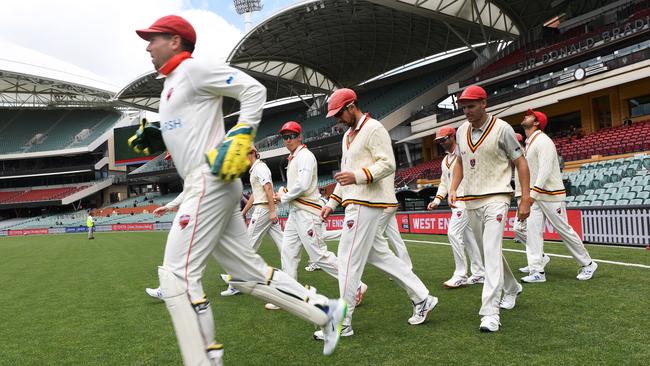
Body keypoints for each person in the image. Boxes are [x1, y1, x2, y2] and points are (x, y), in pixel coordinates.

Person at [134, 15, 346, 364]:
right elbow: (192, 131)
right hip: (207, 185)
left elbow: (253, 90)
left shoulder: (193, 70)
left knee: (176, 277)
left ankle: (203, 359)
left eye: (153, 38)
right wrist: (161, 135)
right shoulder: (171, 84)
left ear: (174, 41)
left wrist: (242, 133)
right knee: (247, 276)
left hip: (210, 182)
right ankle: (325, 311)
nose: (147, 45)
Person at [319, 88, 437, 340]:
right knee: (382, 257)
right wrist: (331, 202)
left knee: (347, 261)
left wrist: (358, 176)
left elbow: (388, 164)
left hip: (366, 202)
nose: (337, 120)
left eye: (339, 114)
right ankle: (423, 297)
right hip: (357, 201)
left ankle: (343, 322)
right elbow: (345, 174)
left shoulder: (374, 128)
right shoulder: (348, 136)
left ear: (351, 106)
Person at [448, 85, 530, 333]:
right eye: (463, 107)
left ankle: (490, 312)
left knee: (491, 251)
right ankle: (512, 287)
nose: (467, 111)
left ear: (484, 103)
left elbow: (521, 163)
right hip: (471, 198)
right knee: (488, 251)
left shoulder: (503, 129)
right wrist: (453, 188)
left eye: (471, 106)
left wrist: (525, 197)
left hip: (497, 195)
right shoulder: (461, 130)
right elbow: (461, 161)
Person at [274, 121, 365, 311]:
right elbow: (297, 185)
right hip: (296, 212)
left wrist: (283, 196)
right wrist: (284, 192)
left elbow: (304, 184)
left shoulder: (305, 156)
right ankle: (291, 295)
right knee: (288, 253)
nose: (288, 140)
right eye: (285, 137)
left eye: (291, 136)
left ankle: (356, 284)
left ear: (300, 137)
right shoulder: (294, 157)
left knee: (319, 256)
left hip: (307, 212)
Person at [519, 109, 597, 283]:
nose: (525, 116)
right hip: (537, 195)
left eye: (529, 115)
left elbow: (545, 170)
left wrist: (532, 194)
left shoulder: (543, 141)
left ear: (537, 122)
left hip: (551, 195)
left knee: (564, 231)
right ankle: (537, 270)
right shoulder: (530, 142)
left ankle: (588, 264)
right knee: (532, 233)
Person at [220, 145, 284, 297]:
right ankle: (289, 274)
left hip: (263, 210)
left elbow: (268, 189)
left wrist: (272, 210)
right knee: (284, 244)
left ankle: (237, 283)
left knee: (247, 246)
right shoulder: (255, 169)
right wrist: (244, 211)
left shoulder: (260, 168)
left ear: (253, 153)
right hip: (263, 208)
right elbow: (256, 194)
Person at [427, 126, 485, 288]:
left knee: (453, 233)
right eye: (439, 141)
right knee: (469, 239)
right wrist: (437, 200)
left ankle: (460, 274)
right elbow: (445, 182)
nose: (441, 143)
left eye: (443, 139)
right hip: (456, 203)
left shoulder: (464, 153)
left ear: (453, 137)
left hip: (465, 202)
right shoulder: (445, 161)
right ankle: (479, 273)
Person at [512, 133, 551, 273]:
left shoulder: (523, 153)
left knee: (526, 230)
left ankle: (537, 261)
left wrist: (527, 196)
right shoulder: (518, 154)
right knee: (518, 229)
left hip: (526, 195)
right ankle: (538, 257)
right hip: (520, 194)